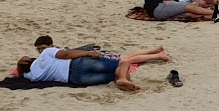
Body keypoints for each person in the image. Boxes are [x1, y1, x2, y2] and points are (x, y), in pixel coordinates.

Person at [18, 37, 171, 92]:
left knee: (119, 66)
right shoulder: (48, 54)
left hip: (75, 80)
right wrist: (88, 53)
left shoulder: (31, 76)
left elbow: (20, 73)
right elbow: (66, 54)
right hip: (79, 64)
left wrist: (19, 66)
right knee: (124, 60)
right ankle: (157, 54)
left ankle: (155, 53)